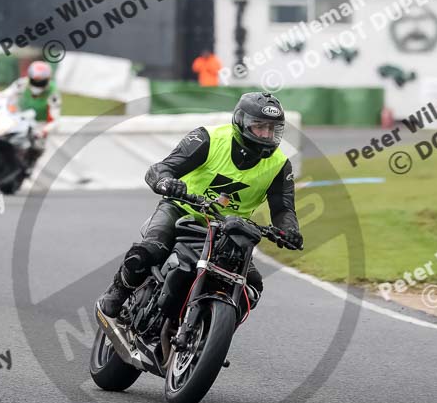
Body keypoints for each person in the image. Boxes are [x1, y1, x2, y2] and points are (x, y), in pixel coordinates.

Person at [99, 91, 303, 318]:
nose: (266, 135)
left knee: (251, 287)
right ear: (240, 122)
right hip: (181, 209)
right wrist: (167, 182)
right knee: (148, 252)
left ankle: (206, 338)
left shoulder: (280, 165)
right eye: (259, 126)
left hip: (230, 230)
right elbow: (161, 168)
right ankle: (119, 289)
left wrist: (290, 231)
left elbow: (283, 208)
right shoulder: (208, 138)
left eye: (271, 129)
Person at [0, 60, 61, 171]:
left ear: (48, 80)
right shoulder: (22, 83)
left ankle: (28, 166)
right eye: (35, 81)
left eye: (41, 82)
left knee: (37, 146)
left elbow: (55, 119)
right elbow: (4, 94)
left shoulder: (53, 93)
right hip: (18, 118)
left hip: (38, 124)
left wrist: (44, 130)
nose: (37, 84)